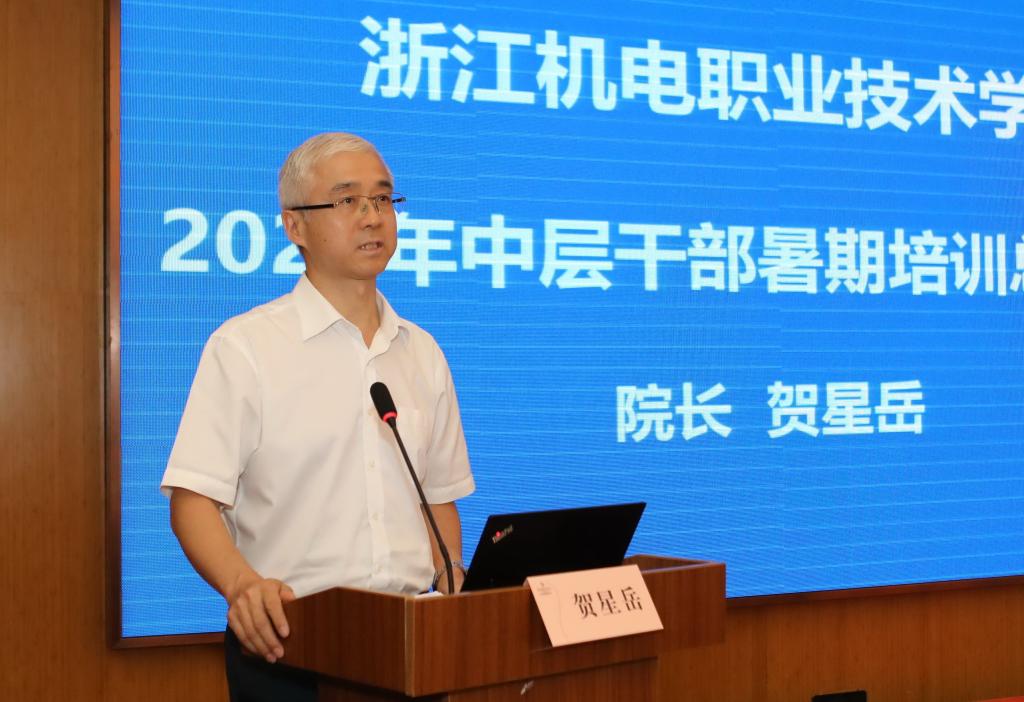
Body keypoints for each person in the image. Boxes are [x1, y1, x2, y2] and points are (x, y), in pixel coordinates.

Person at [160, 132, 475, 702]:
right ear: (295, 226)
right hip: (291, 647)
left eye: (383, 199)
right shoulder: (247, 346)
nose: (372, 216)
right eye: (348, 200)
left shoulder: (422, 352)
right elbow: (193, 499)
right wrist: (243, 587)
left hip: (409, 647)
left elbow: (437, 499)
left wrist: (449, 574)